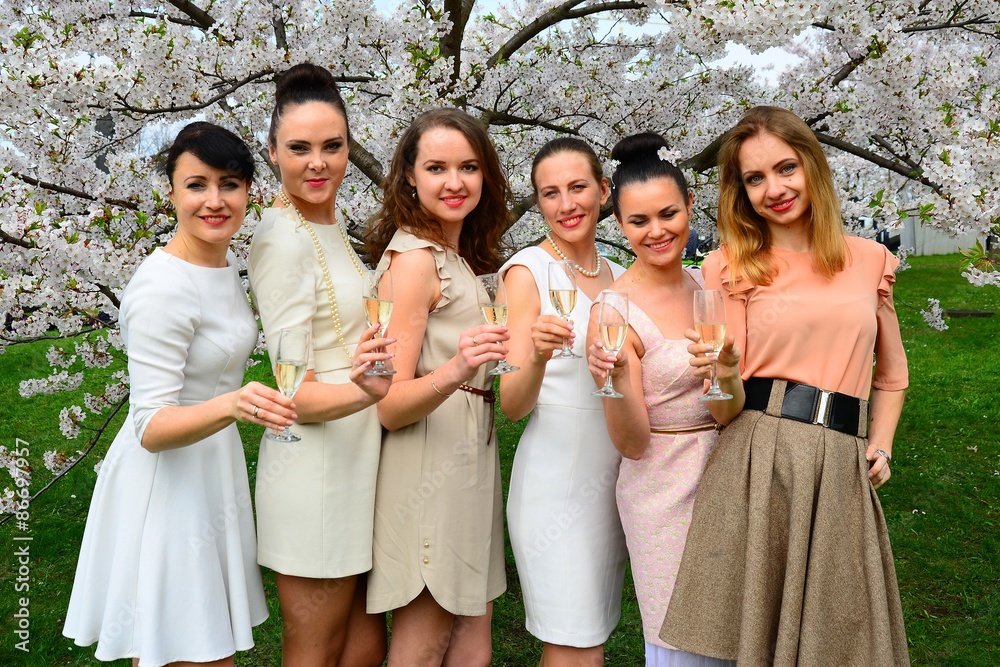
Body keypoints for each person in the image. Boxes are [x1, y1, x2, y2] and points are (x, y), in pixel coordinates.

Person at [660, 106, 910, 666]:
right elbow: (726, 410)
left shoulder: (870, 260)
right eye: (755, 178)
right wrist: (722, 370)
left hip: (842, 466)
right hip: (760, 458)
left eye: (786, 168)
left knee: (841, 638)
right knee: (756, 643)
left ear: (811, 168)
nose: (774, 189)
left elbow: (892, 375)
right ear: (741, 191)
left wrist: (882, 443)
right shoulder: (729, 266)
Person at [63, 122, 297, 666]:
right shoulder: (162, 286)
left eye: (229, 184)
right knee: (198, 649)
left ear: (247, 193)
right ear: (170, 191)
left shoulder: (220, 264)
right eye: (196, 185)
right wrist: (235, 404)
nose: (214, 201)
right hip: (169, 487)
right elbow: (149, 427)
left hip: (212, 467)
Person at [247, 63, 392, 667]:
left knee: (360, 648)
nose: (318, 163)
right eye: (299, 148)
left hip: (357, 460)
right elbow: (293, 393)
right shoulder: (281, 240)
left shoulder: (326, 227)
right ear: (273, 151)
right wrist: (376, 392)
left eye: (332, 147)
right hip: (314, 472)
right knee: (315, 651)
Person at [365, 107, 511, 667]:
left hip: (469, 452)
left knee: (472, 637)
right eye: (437, 167)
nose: (455, 182)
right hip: (429, 463)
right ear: (409, 175)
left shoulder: (458, 256)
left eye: (469, 167)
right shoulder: (416, 263)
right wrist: (455, 369)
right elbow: (389, 403)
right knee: (424, 644)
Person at [586, 133, 735, 667]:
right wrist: (617, 377)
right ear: (620, 225)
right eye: (638, 222)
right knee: (682, 642)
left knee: (739, 629)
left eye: (668, 214)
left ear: (690, 206)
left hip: (728, 474)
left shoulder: (708, 287)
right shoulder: (612, 311)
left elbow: (729, 400)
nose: (656, 232)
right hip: (661, 487)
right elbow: (631, 441)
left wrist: (725, 370)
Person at [499, 137, 628, 666]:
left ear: (603, 190)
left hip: (614, 481)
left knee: (591, 635)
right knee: (572, 641)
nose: (566, 203)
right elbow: (511, 403)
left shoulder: (618, 273)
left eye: (578, 187)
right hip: (556, 485)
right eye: (550, 193)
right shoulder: (527, 272)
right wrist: (536, 356)